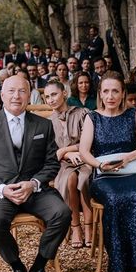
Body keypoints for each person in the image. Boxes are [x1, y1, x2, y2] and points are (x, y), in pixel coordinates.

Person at [0, 75, 71, 272]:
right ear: (2, 95)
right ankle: (17, 268)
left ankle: (38, 268)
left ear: (29, 95)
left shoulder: (43, 124)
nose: (17, 96)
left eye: (22, 91)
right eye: (12, 91)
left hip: (34, 190)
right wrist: (2, 188)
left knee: (62, 213)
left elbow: (51, 163)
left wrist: (33, 183)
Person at [79, 71, 136, 272]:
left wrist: (130, 156)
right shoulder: (93, 117)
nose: (110, 96)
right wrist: (100, 164)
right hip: (103, 176)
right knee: (116, 200)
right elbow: (84, 151)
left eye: (115, 91)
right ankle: (117, 264)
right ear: (100, 93)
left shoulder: (132, 115)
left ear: (123, 93)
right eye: (106, 91)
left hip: (129, 171)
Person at [43, 81, 93, 249]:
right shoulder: (47, 123)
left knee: (84, 178)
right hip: (63, 165)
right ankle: (75, 226)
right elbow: (52, 153)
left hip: (85, 158)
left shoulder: (82, 113)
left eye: (54, 94)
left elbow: (91, 140)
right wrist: (66, 154)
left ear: (64, 93)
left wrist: (66, 149)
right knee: (70, 178)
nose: (51, 99)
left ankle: (89, 226)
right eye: (47, 96)